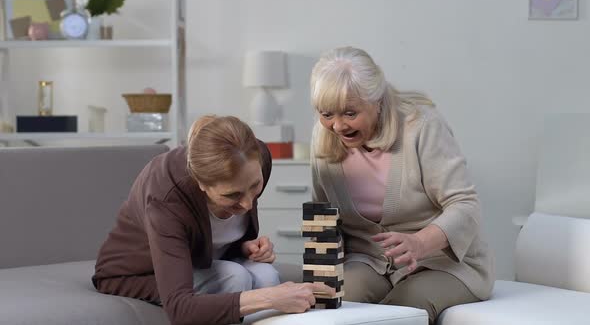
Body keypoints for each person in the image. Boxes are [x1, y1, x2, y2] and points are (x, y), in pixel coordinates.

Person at [309, 47, 494, 324]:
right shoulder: (323, 136)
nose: (336, 126)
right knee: (333, 308)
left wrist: (420, 242)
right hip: (368, 261)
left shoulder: (421, 126)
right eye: (327, 114)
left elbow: (465, 205)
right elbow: (322, 214)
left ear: (377, 101)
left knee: (404, 311)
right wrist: (321, 283)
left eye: (349, 113)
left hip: (439, 263)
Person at [92, 115, 334, 325]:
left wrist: (242, 246)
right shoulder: (166, 200)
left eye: (255, 187)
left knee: (266, 275)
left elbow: (206, 233)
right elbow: (180, 309)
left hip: (199, 259)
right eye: (233, 195)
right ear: (200, 184)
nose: (248, 204)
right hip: (135, 274)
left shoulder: (255, 156)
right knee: (234, 277)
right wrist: (271, 298)